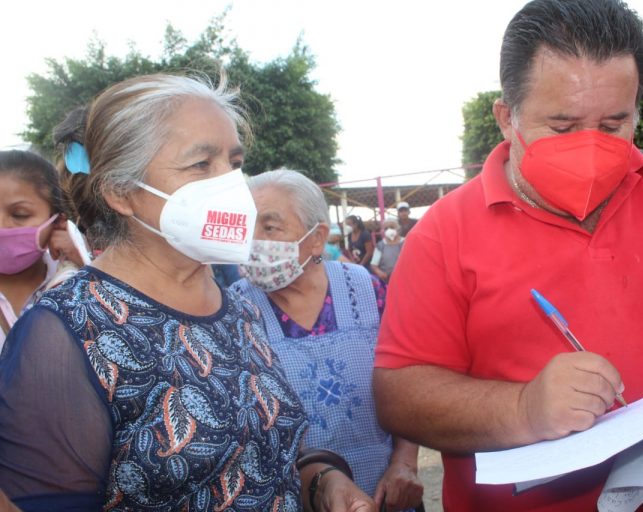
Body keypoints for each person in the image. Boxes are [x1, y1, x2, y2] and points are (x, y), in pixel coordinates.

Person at [372, 1, 643, 511]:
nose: (589, 148)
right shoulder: (444, 233)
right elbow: (400, 394)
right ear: (505, 118)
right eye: (561, 127)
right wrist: (521, 408)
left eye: (613, 124)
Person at [0, 73, 374, 512]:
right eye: (201, 164)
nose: (231, 185)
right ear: (122, 193)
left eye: (234, 163)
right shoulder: (67, 331)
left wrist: (320, 482)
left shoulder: (235, 305)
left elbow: (259, 453)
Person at [232, 170, 423, 511]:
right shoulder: (234, 310)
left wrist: (405, 461)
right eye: (246, 226)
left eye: (269, 227)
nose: (253, 240)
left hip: (385, 491)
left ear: (317, 238)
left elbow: (407, 376)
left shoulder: (366, 289)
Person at [0, 150, 89, 352]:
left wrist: (85, 265)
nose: (1, 225)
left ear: (56, 222)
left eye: (19, 214)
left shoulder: (74, 281)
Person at [370, 218, 405, 284]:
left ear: (398, 229)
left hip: (405, 278)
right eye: (386, 228)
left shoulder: (406, 242)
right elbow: (374, 265)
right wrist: (380, 273)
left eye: (392, 227)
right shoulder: (381, 245)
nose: (389, 230)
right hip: (388, 280)